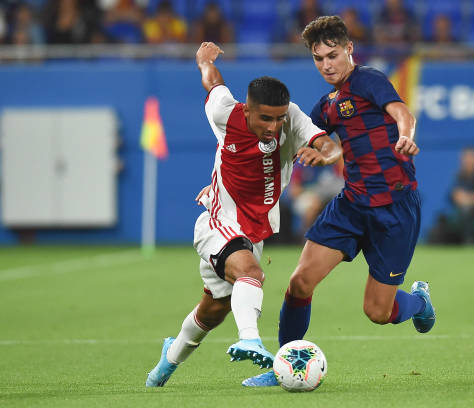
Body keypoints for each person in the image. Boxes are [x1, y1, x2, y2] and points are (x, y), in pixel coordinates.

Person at [243, 15, 436, 387]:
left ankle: (419, 303)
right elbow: (307, 137)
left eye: (333, 55)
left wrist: (407, 136)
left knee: (378, 312)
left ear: (350, 49)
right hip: (351, 205)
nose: (327, 65)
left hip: (394, 210)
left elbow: (402, 113)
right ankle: (285, 365)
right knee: (299, 283)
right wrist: (313, 149)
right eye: (318, 59)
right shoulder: (328, 105)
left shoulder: (369, 80)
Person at [145, 42, 342, 387]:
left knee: (215, 307)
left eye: (279, 118)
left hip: (253, 232)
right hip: (218, 221)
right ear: (247, 110)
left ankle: (170, 357)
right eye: (266, 117)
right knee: (251, 272)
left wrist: (323, 155)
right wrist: (203, 59)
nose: (274, 126)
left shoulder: (292, 118)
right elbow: (213, 81)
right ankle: (250, 338)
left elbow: (329, 144)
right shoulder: (225, 112)